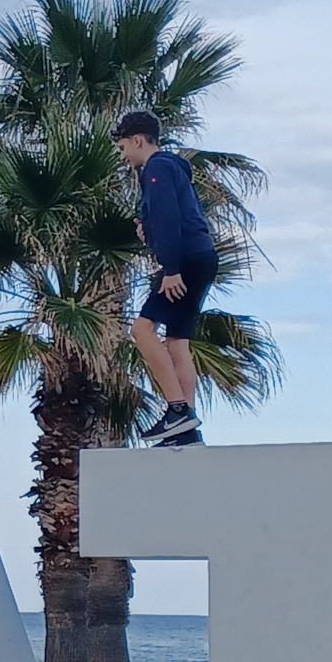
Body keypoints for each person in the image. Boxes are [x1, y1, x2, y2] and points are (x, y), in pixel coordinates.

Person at [111, 109, 220, 445]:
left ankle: (177, 410)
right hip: (202, 257)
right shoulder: (173, 169)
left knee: (142, 329)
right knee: (177, 341)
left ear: (137, 140)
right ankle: (186, 429)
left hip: (184, 262)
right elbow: (174, 217)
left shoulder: (155, 168)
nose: (123, 156)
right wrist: (151, 235)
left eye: (123, 147)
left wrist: (170, 269)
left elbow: (168, 216)